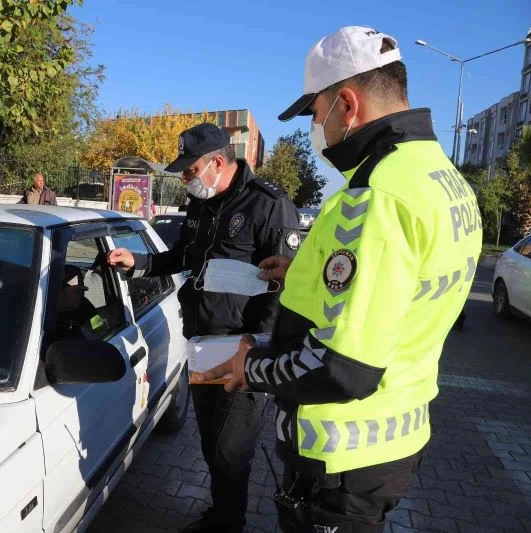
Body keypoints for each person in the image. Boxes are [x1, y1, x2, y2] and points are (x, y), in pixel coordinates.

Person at [200, 26, 482, 532]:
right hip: (397, 438)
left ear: (346, 106)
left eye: (315, 113)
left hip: (342, 455)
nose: (317, 129)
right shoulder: (441, 176)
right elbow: (394, 296)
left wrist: (253, 367)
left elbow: (343, 367)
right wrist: (303, 272)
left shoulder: (375, 197)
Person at [106, 123, 300, 533]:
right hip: (201, 346)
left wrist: (257, 346)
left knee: (232, 451)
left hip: (243, 351)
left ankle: (230, 524)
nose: (184, 179)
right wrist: (137, 263)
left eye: (190, 170)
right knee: (211, 445)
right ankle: (222, 514)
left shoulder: (268, 204)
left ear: (217, 162)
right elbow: (180, 256)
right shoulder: (201, 203)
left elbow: (284, 288)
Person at [55, 265, 98, 339]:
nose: (81, 295)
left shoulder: (86, 306)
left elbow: (100, 328)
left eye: (82, 291)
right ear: (61, 291)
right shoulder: (44, 308)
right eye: (77, 291)